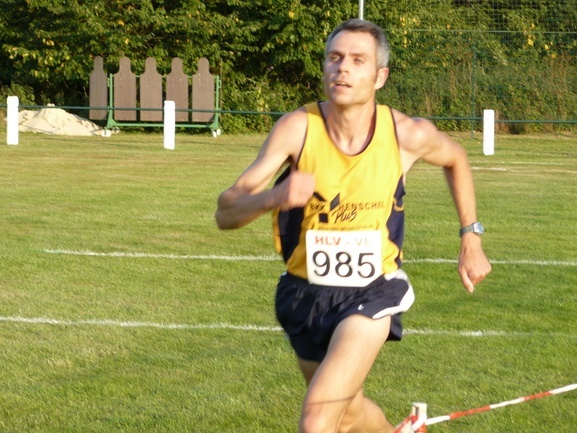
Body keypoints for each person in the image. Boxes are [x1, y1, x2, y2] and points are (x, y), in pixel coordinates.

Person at [215, 18, 491, 433]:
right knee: (347, 414)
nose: (342, 67)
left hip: (373, 290)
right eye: (335, 57)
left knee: (317, 420)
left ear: (380, 76)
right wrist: (274, 196)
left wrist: (471, 236)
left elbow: (456, 159)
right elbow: (226, 213)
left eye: (357, 60)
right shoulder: (297, 129)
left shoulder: (404, 133)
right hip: (304, 293)